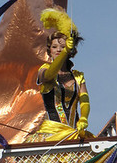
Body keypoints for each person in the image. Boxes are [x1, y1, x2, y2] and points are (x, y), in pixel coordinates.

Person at [32, 10, 91, 142]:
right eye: (54, 47)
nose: (58, 49)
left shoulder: (78, 76)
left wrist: (83, 118)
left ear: (71, 50)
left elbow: (85, 101)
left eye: (62, 47)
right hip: (50, 134)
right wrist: (65, 52)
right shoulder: (44, 69)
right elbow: (49, 76)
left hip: (73, 134)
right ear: (49, 50)